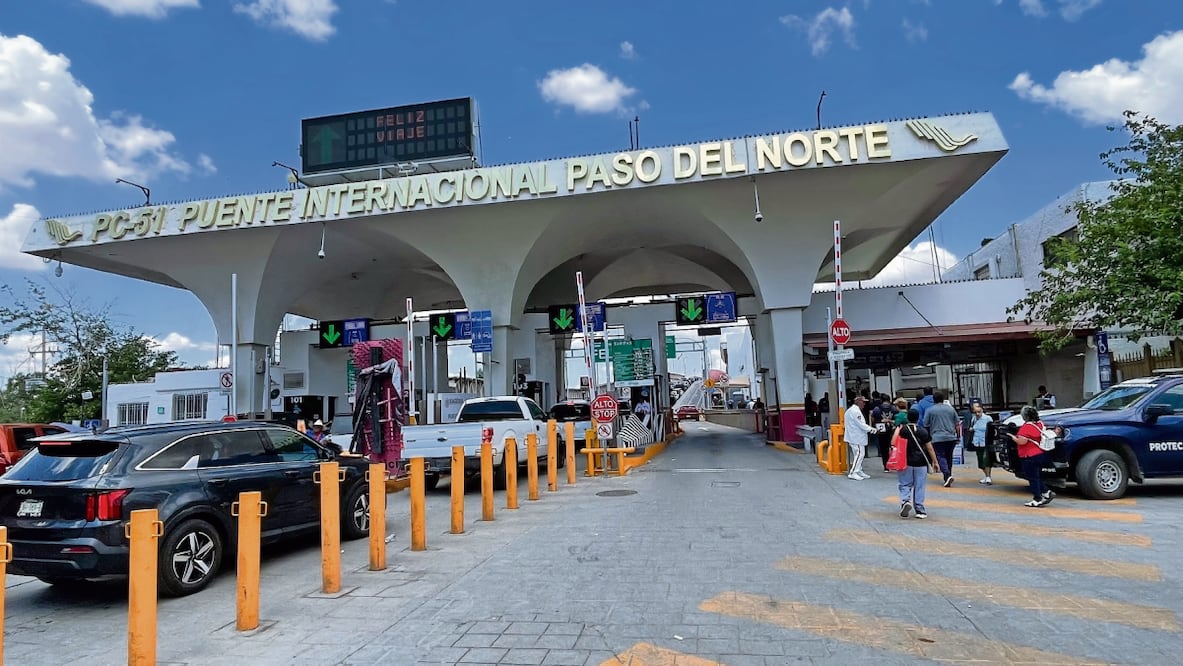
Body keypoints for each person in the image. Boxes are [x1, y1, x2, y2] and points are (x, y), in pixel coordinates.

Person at [897, 408, 939, 519]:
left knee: (905, 484)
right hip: (921, 462)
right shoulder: (923, 431)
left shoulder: (903, 430)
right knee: (919, 486)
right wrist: (935, 461)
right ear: (918, 418)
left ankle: (905, 501)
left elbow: (895, 443)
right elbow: (929, 448)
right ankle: (920, 510)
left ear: (907, 418)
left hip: (906, 462)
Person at [1010, 406, 1055, 507]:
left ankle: (1037, 498)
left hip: (1029, 455)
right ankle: (1046, 492)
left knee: (1032, 477)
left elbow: (1022, 442)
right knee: (1036, 476)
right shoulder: (1039, 424)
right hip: (1040, 453)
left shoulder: (1026, 428)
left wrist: (1014, 438)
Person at [924, 391, 960, 487]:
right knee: (949, 457)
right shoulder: (950, 409)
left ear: (933, 400)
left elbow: (925, 424)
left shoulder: (930, 410)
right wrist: (958, 436)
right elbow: (957, 424)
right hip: (951, 437)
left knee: (940, 456)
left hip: (937, 437)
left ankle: (947, 474)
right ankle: (948, 476)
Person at [843, 395, 877, 480]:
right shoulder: (855, 411)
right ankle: (853, 472)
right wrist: (872, 430)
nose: (864, 404)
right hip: (856, 437)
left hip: (855, 436)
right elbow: (861, 424)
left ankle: (859, 470)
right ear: (858, 402)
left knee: (858, 454)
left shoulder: (851, 410)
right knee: (859, 454)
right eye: (863, 402)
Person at [970, 402, 995, 485]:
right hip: (977, 441)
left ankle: (988, 477)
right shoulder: (973, 419)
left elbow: (992, 430)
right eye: (975, 412)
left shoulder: (988, 418)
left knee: (986, 459)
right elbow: (972, 427)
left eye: (978, 411)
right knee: (980, 461)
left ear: (982, 410)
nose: (977, 414)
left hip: (986, 441)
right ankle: (986, 475)